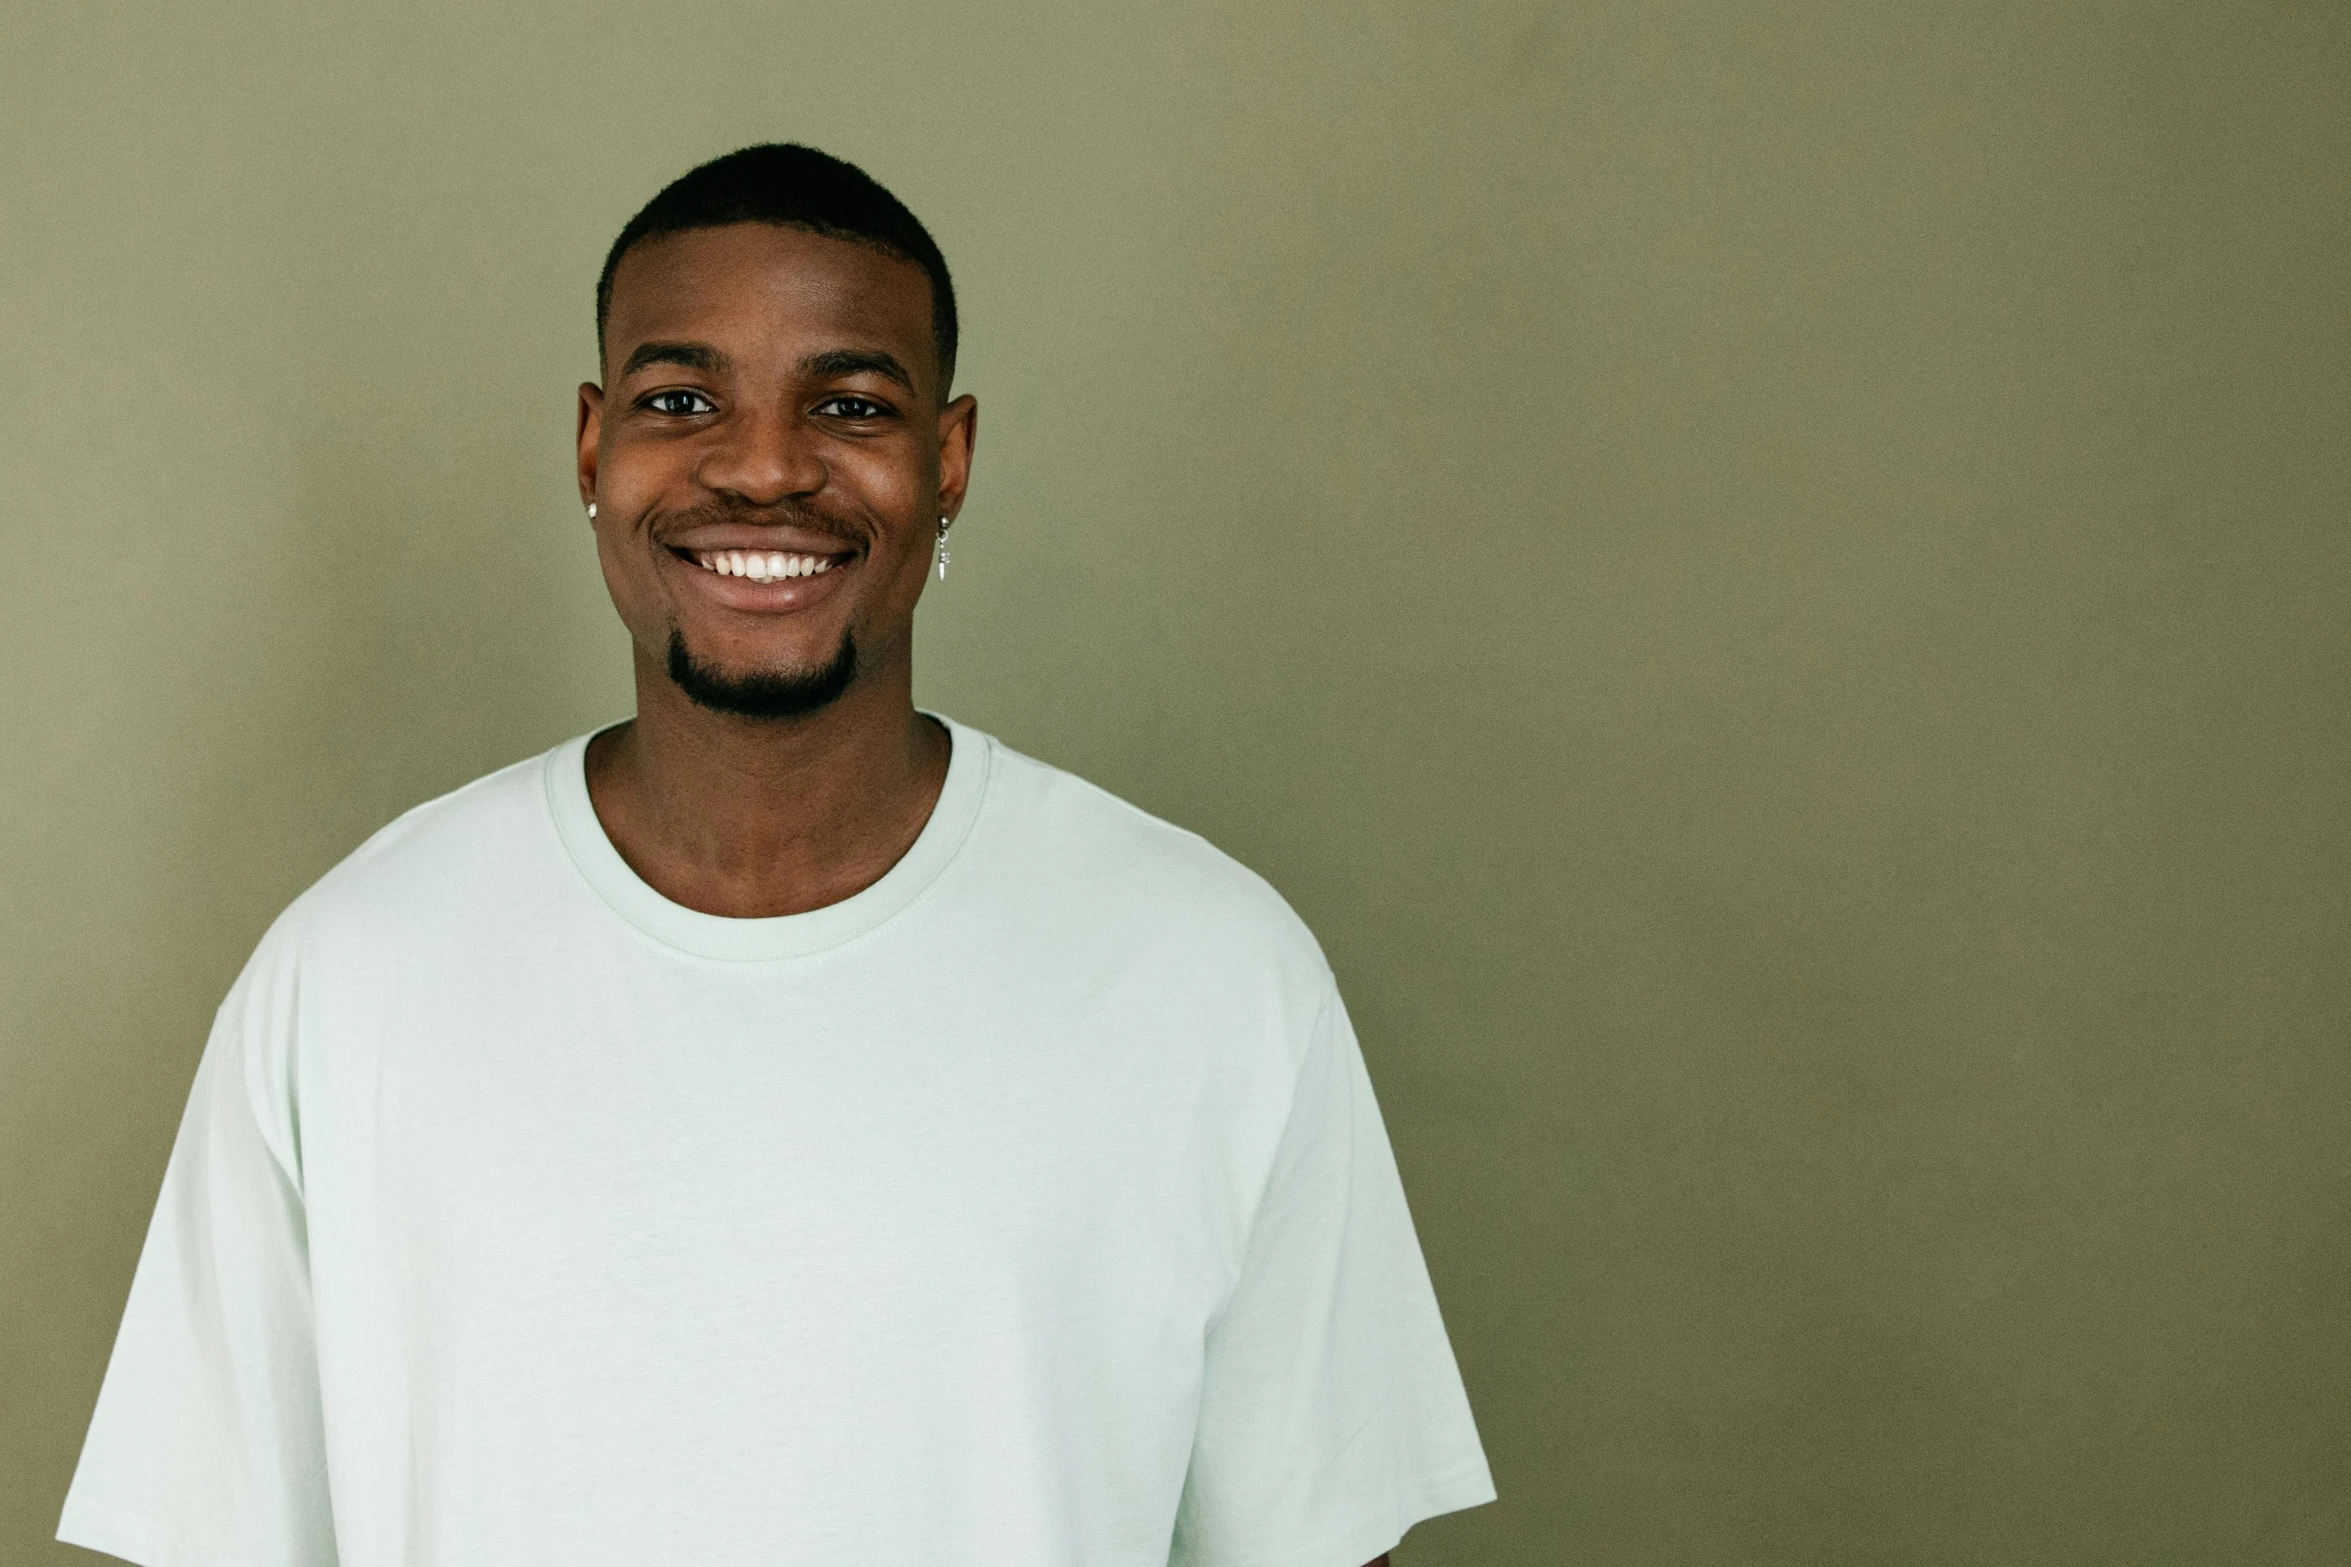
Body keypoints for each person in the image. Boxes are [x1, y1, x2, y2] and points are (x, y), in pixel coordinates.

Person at [58, 143, 1494, 1567]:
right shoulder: (348, 976)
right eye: (680, 399)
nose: (761, 467)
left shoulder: (1211, 970)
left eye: (850, 403)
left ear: (948, 461)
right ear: (590, 448)